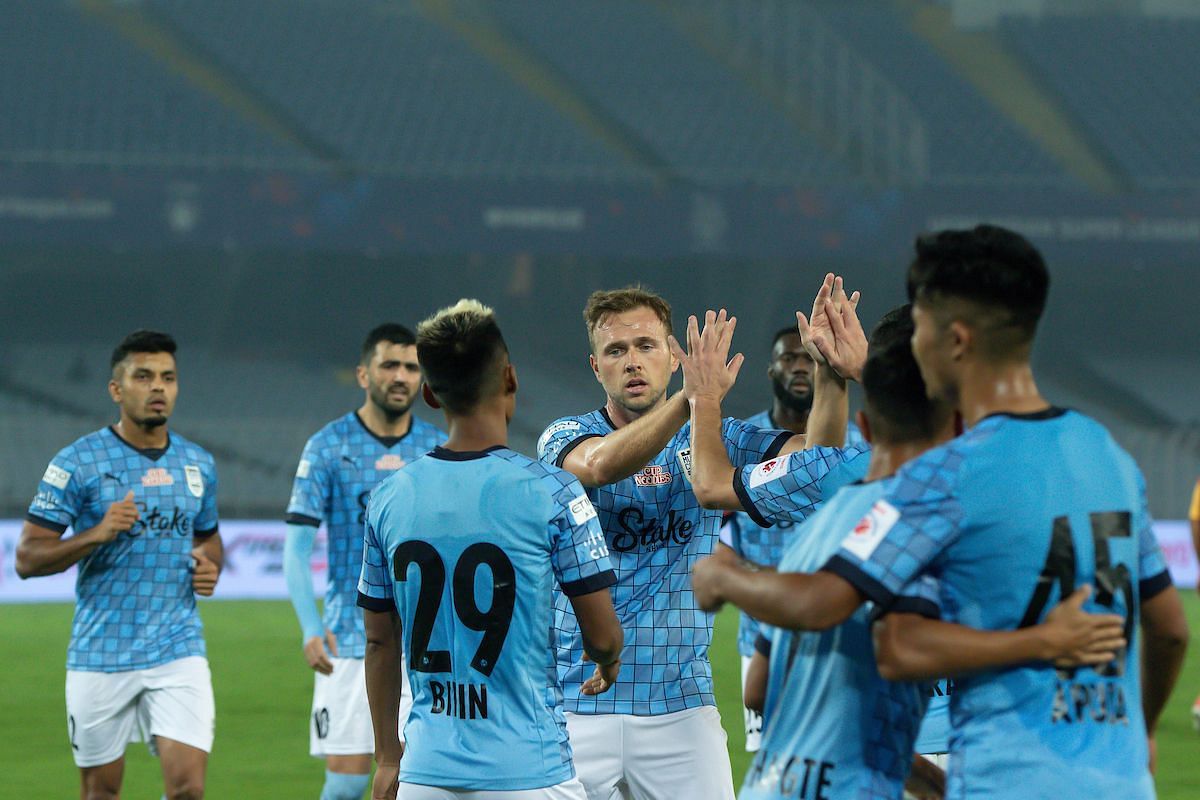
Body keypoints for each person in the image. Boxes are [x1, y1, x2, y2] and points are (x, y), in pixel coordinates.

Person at [692, 225, 1190, 798]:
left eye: (920, 326)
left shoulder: (936, 478)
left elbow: (863, 625)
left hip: (1003, 778)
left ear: (955, 340)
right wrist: (1142, 733)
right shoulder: (1104, 454)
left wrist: (727, 577)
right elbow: (1170, 632)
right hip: (1120, 779)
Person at [536, 287, 810, 800]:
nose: (632, 362)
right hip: (576, 701)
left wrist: (837, 379)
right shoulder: (564, 435)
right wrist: (692, 397)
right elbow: (597, 467)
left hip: (681, 707)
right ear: (596, 367)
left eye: (645, 346)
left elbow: (815, 455)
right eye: (616, 352)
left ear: (674, 356)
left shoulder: (715, 436)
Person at [357, 299, 623, 800]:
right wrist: (607, 662)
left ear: (430, 394)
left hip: (425, 774)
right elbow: (603, 636)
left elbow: (378, 641)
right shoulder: (554, 492)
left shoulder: (389, 497)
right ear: (510, 379)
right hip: (530, 770)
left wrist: (389, 756)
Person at [16, 330, 222, 800]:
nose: (158, 388)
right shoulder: (77, 462)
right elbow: (27, 558)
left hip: (178, 649)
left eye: (168, 378)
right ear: (116, 389)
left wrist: (211, 567)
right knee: (100, 793)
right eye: (143, 376)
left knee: (188, 789)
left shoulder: (198, 464)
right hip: (100, 654)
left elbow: (209, 540)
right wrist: (98, 533)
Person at [285, 323, 444, 800]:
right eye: (389, 365)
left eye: (412, 367)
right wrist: (311, 627)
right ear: (363, 374)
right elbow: (296, 549)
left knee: (422, 781)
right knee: (348, 784)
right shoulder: (327, 447)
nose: (401, 376)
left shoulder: (437, 449)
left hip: (427, 642)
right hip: (351, 638)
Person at [719, 323, 866, 751]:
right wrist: (761, 579)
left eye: (807, 359)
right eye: (788, 358)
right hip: (762, 632)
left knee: (836, 758)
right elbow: (715, 537)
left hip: (835, 630)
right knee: (775, 764)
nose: (799, 367)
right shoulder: (739, 443)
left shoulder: (855, 444)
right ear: (770, 371)